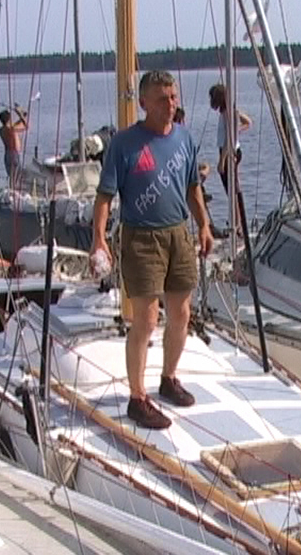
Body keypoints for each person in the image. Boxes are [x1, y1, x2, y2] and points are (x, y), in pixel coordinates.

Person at [91, 70, 213, 430]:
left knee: (181, 313)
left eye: (173, 97)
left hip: (178, 233)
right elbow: (104, 197)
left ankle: (169, 378)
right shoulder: (124, 144)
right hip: (141, 237)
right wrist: (99, 238)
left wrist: (204, 224)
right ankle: (137, 397)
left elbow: (192, 186)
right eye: (162, 99)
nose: (170, 104)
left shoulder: (184, 139)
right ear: (144, 103)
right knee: (145, 320)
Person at [208, 83, 251, 195]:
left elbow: (228, 138)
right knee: (235, 185)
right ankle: (238, 206)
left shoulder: (228, 114)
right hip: (233, 150)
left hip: (228, 151)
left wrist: (222, 160)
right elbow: (248, 122)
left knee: (231, 187)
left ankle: (237, 206)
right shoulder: (230, 112)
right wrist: (237, 130)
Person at [0, 105, 28, 187]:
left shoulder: (1, 129)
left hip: (7, 155)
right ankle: (13, 191)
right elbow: (26, 126)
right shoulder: (12, 129)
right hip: (14, 154)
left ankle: (12, 190)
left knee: (12, 177)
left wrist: (22, 116)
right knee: (16, 178)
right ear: (9, 119)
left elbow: (18, 123)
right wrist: (20, 114)